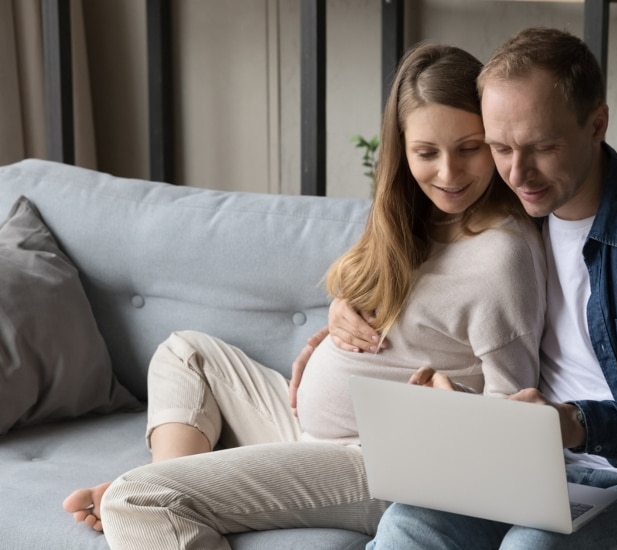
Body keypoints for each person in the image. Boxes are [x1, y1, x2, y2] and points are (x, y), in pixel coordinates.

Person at [61, 42, 545, 549]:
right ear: (402, 151)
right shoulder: (415, 220)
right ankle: (183, 484)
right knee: (186, 353)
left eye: (469, 148)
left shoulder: (501, 257)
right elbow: (402, 322)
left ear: (493, 139)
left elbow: (509, 429)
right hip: (303, 429)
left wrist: (447, 412)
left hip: (378, 462)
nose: (448, 174)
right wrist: (337, 317)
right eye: (426, 153)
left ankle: (167, 494)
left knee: (135, 501)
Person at [320, 27, 617, 549]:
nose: (519, 172)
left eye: (542, 147)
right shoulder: (517, 216)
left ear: (597, 124)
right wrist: (339, 314)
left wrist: (573, 423)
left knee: (534, 547)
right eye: (500, 148)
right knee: (408, 527)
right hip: (529, 470)